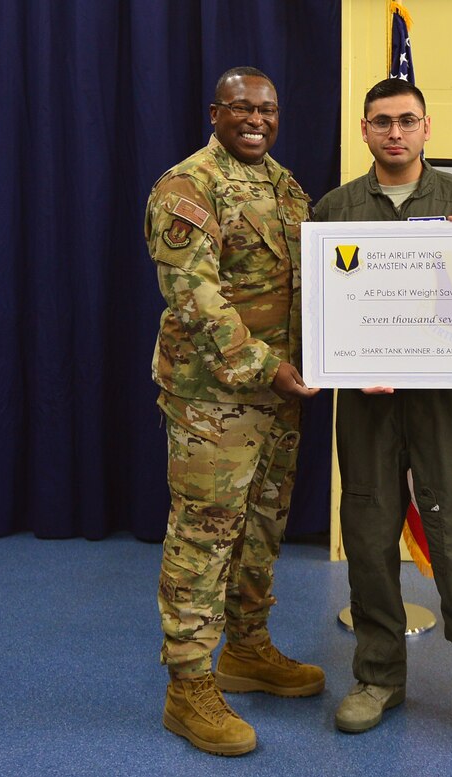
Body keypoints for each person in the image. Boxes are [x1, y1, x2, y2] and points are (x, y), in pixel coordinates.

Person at [312, 78, 452, 751]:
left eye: (406, 121)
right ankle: (377, 676)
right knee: (368, 531)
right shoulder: (335, 210)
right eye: (381, 122)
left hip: (446, 401)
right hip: (366, 404)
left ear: (428, 127)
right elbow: (314, 309)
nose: (394, 133)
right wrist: (335, 360)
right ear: (364, 130)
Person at [146, 66, 323, 757]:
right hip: (214, 399)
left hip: (279, 397)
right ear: (214, 112)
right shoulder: (187, 186)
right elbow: (195, 298)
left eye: (268, 109)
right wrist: (267, 368)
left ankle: (246, 650)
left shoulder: (286, 187)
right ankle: (188, 686)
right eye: (242, 107)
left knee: (262, 528)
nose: (256, 118)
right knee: (203, 537)